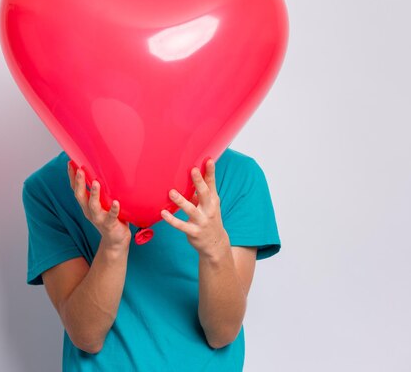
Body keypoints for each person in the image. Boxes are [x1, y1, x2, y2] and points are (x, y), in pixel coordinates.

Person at [22, 147, 281, 371]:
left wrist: (215, 248)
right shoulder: (48, 187)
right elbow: (87, 336)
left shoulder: (239, 176)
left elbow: (222, 332)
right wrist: (113, 246)